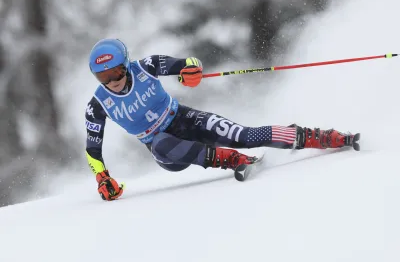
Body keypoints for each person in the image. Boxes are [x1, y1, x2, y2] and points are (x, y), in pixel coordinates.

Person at [85, 38, 356, 201]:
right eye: (103, 77)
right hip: (167, 149)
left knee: (244, 135)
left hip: (184, 118)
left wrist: (190, 70)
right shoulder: (98, 105)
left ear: (127, 64)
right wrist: (102, 178)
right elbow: (92, 149)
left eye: (117, 73)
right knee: (161, 145)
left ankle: (318, 137)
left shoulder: (146, 67)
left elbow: (186, 61)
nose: (113, 82)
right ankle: (232, 160)